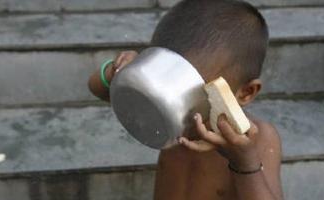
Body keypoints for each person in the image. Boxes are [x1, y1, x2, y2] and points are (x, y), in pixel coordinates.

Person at [88, 0, 283, 199]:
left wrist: (245, 163)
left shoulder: (259, 140)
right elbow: (97, 87)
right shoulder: (172, 114)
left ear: (246, 92)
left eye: (191, 91)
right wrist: (118, 72)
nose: (175, 97)